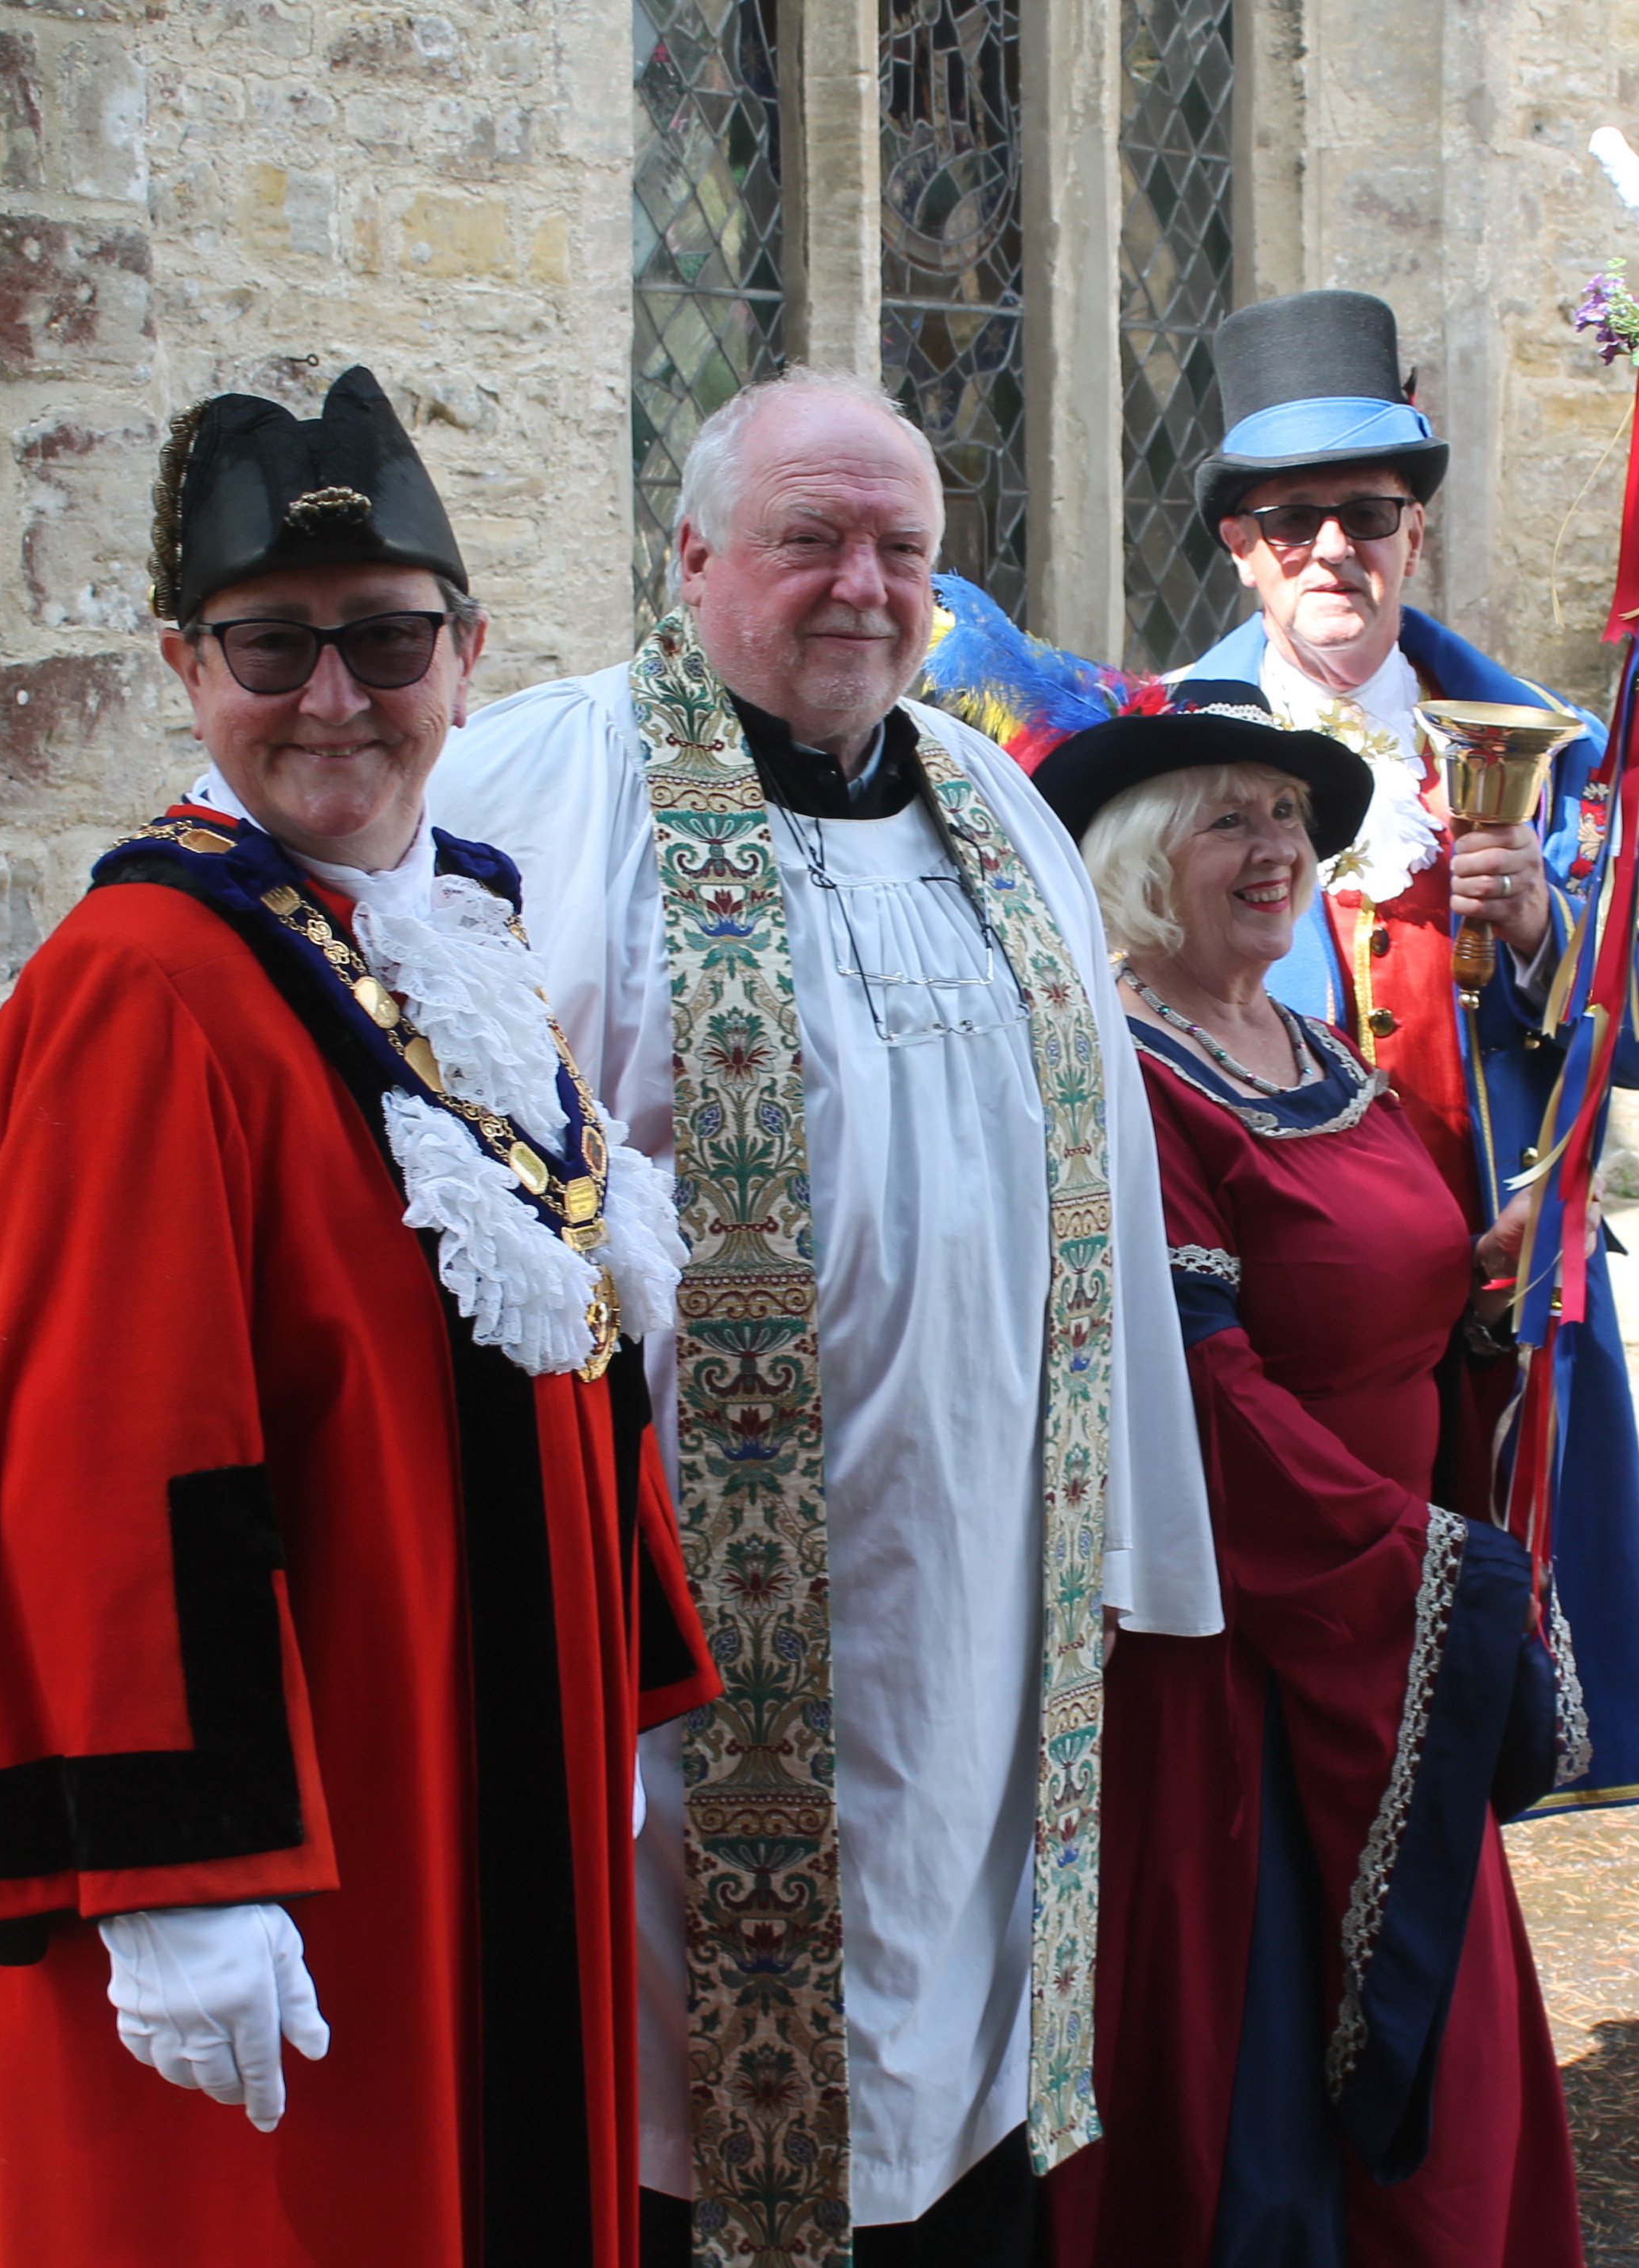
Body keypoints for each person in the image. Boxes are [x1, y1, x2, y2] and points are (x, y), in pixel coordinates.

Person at [0, 366, 713, 2266]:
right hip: (305, 1840)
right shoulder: (145, 985)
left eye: (387, 640)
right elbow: (96, 1452)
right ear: (186, 666)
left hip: (489, 1774)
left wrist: (628, 1684)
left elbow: (558, 1342)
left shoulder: (452, 944)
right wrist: (181, 1873)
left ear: (466, 655)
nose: (335, 697)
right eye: (273, 646)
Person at [429, 367, 1220, 2266]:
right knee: (679, 2126)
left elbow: (1103, 1187)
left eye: (903, 550)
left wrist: (1135, 1550)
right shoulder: (530, 790)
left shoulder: (999, 816)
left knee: (950, 2103)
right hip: (686, 1644)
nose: (862, 585)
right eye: (811, 538)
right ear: (692, 554)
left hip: (972, 1620)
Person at [1176, 289, 1639, 1816]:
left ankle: (1461, 2035)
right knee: (1280, 1720)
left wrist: (1561, 937)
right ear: (1239, 545)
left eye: (1366, 512)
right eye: (1290, 519)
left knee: (1483, 1710)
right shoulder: (1153, 754)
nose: (1332, 551)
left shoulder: (1544, 749)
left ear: (1413, 532)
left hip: (1496, 1319)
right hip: (1285, 1333)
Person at [1035, 682, 1585, 2266]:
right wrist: (1424, 1569)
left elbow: (1380, 1299)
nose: (1275, 848)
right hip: (1246, 1648)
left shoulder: (1305, 1037)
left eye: (1288, 816)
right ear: (1143, 857)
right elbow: (1195, 1388)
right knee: (1258, 2075)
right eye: (1230, 817)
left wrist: (1487, 1289)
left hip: (1375, 1611)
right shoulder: (1130, 1073)